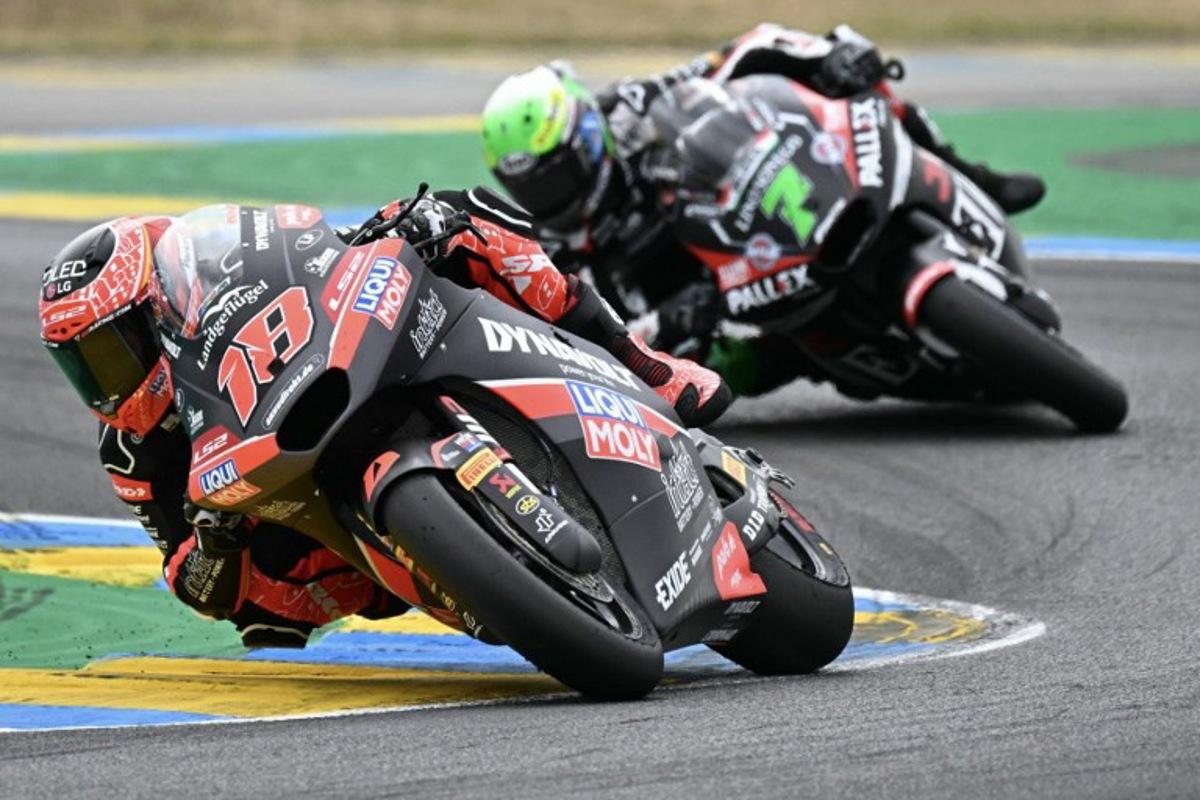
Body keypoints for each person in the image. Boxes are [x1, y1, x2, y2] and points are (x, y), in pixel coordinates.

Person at [37, 190, 730, 648]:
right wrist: (213, 540)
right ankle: (447, 562)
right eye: (81, 365)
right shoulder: (133, 454)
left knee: (453, 217)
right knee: (259, 613)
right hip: (312, 520)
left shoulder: (222, 272)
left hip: (333, 361)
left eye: (108, 351)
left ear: (156, 306)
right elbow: (193, 583)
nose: (103, 381)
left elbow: (308, 247)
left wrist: (388, 231)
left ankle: (641, 361)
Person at [480, 24, 1048, 396]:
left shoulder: (627, 107)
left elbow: (741, 52)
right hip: (724, 296)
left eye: (561, 173)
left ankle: (971, 175)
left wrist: (827, 55)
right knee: (736, 371)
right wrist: (672, 321)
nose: (556, 197)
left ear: (586, 134)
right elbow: (594, 347)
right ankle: (827, 356)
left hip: (760, 204)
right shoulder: (561, 252)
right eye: (537, 188)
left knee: (862, 88)